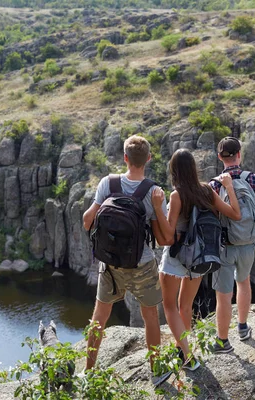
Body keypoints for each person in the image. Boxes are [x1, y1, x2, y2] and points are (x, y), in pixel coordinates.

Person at [82, 135, 170, 386]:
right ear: (149, 159)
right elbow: (162, 237)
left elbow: (88, 221)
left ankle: (88, 372)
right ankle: (156, 371)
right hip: (141, 264)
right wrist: (156, 206)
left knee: (99, 316)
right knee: (150, 316)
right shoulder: (154, 192)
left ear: (125, 158)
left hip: (109, 264)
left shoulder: (107, 183)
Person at [150, 148, 241, 369]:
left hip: (176, 258)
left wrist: (157, 209)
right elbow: (235, 214)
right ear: (193, 168)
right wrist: (229, 187)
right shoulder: (207, 190)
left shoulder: (177, 195)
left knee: (170, 306)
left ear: (174, 170)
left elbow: (169, 234)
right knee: (186, 306)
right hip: (200, 256)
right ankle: (183, 349)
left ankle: (188, 356)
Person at [208, 137, 255, 354]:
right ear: (239, 155)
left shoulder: (214, 184)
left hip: (224, 245)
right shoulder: (253, 180)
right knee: (243, 283)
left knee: (223, 294)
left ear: (219, 157)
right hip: (248, 243)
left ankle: (222, 340)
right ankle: (242, 327)